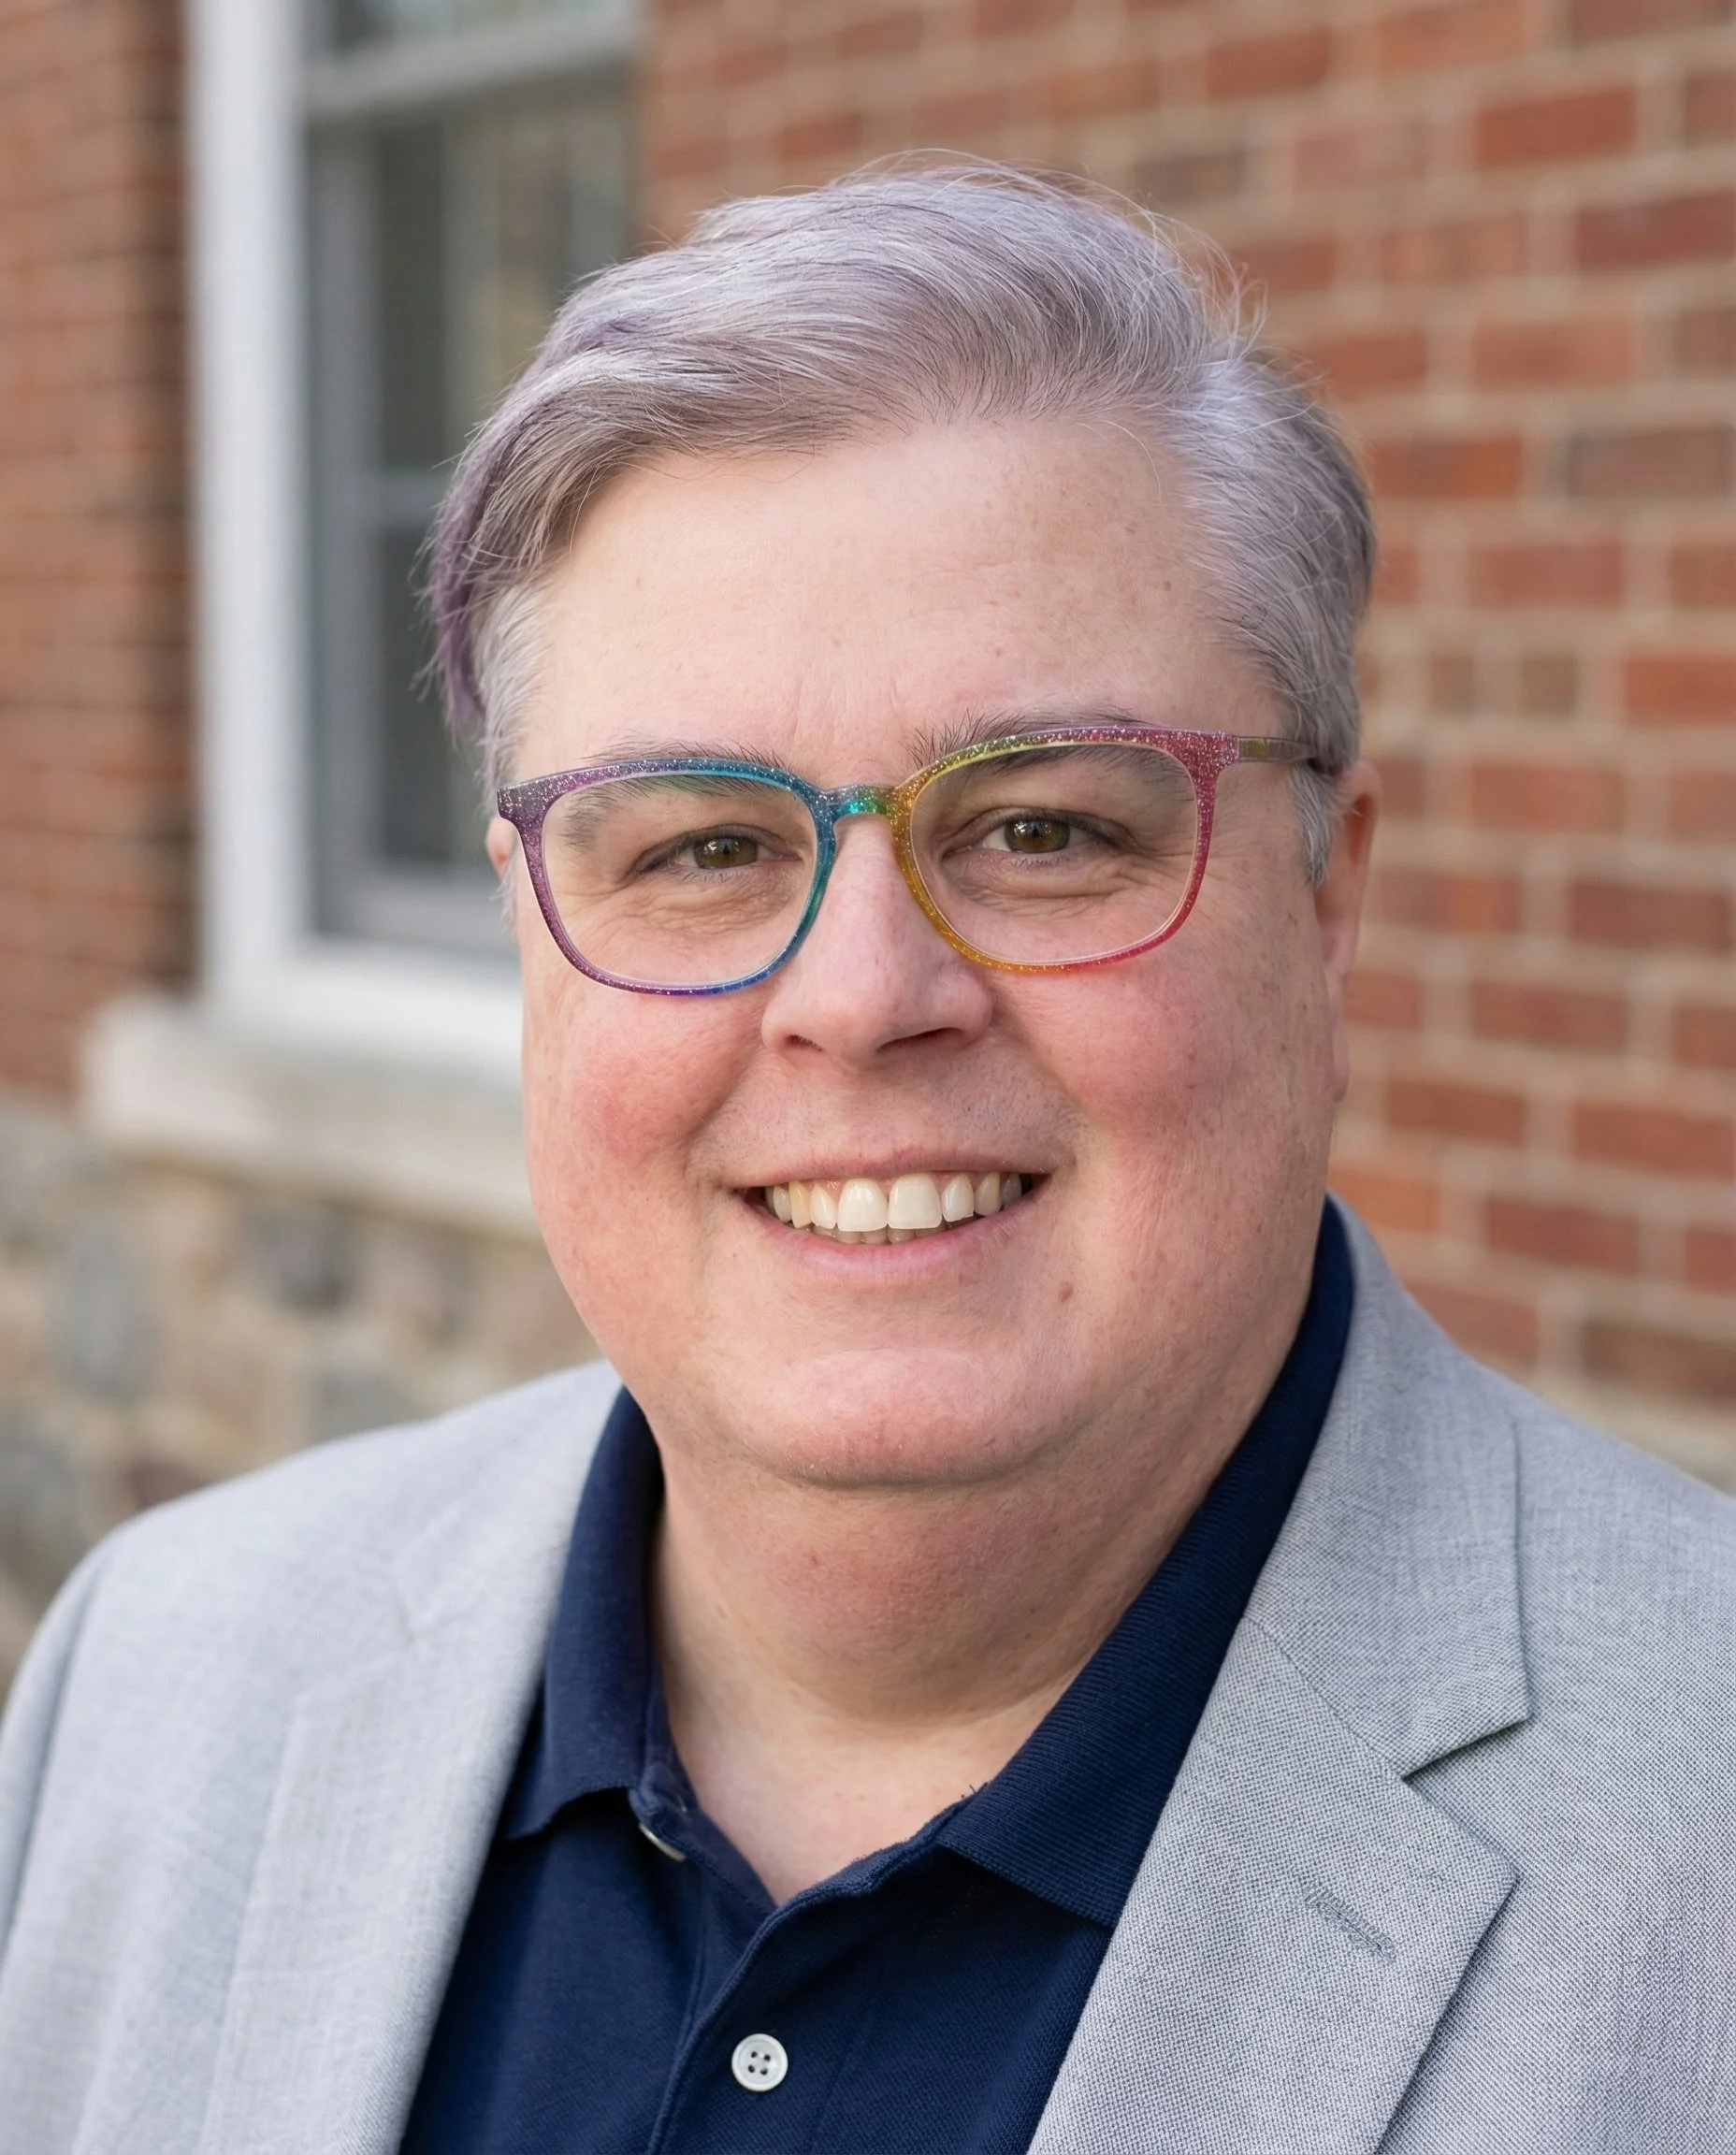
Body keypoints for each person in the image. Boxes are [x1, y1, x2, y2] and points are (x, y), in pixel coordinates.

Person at [1, 163, 1731, 2155]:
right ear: (526, 936)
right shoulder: (165, 1670)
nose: (860, 996)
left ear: (1324, 900)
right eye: (700, 847)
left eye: (1043, 829)